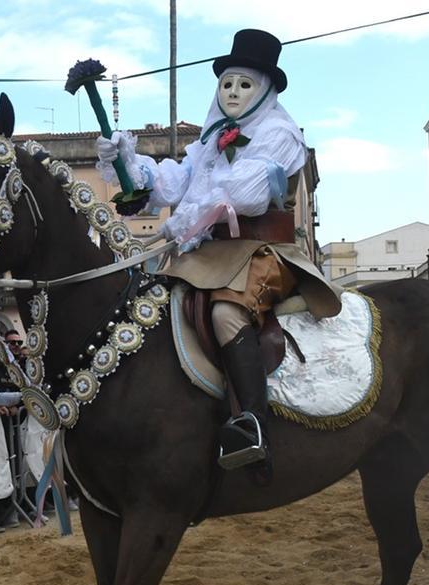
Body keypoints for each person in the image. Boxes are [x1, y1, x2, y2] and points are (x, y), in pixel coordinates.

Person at [95, 28, 341, 475]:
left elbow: (241, 196)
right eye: (227, 84)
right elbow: (174, 183)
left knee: (226, 314)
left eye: (244, 84)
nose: (233, 92)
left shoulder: (279, 133)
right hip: (209, 253)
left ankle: (253, 425)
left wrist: (184, 221)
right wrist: (128, 164)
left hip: (263, 247)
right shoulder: (211, 139)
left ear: (263, 90)